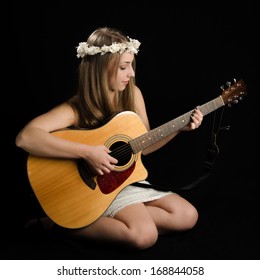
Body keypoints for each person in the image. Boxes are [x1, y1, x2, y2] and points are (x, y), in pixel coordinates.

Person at [16, 27, 203, 250]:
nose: (131, 74)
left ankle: (79, 218)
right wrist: (87, 152)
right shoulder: (77, 108)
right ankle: (62, 224)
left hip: (124, 180)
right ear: (101, 69)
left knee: (186, 215)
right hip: (97, 188)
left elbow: (143, 147)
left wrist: (179, 129)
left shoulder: (133, 94)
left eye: (131, 66)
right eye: (124, 67)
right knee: (144, 236)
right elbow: (26, 138)